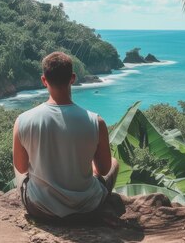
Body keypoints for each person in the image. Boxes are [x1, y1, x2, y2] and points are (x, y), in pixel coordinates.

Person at [13, 51, 119, 221]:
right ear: (73, 78)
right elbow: (103, 170)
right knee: (114, 162)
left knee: (20, 169)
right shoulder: (96, 121)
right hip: (87, 206)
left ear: (43, 80)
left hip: (40, 207)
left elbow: (22, 168)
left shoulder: (23, 120)